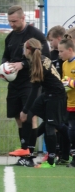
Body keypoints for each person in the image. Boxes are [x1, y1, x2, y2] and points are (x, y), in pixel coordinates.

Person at [0, 5, 50, 167]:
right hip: (14, 84)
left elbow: (45, 57)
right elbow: (5, 58)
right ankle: (24, 154)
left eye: (14, 21)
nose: (11, 24)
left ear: (23, 18)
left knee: (29, 116)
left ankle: (30, 156)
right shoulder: (10, 37)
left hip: (31, 82)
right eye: (9, 21)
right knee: (18, 117)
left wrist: (23, 64)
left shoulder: (36, 35)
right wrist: (4, 70)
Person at [18, 38, 66, 168]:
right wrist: (27, 111)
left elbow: (34, 90)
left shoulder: (37, 63)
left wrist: (24, 110)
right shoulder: (40, 58)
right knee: (33, 116)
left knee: (50, 126)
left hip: (56, 95)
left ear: (28, 49)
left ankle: (51, 160)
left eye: (24, 48)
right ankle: (28, 150)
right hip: (48, 94)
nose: (23, 51)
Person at [37, 25, 70, 165]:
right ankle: (54, 154)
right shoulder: (51, 56)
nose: (50, 43)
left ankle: (60, 154)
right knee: (52, 124)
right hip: (50, 95)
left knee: (56, 125)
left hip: (62, 97)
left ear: (59, 38)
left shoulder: (66, 58)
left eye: (51, 40)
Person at [58, 34, 75, 168]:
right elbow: (65, 81)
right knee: (70, 132)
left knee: (72, 131)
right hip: (69, 103)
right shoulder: (64, 64)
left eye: (61, 51)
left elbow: (69, 82)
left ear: (70, 50)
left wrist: (71, 83)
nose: (59, 54)